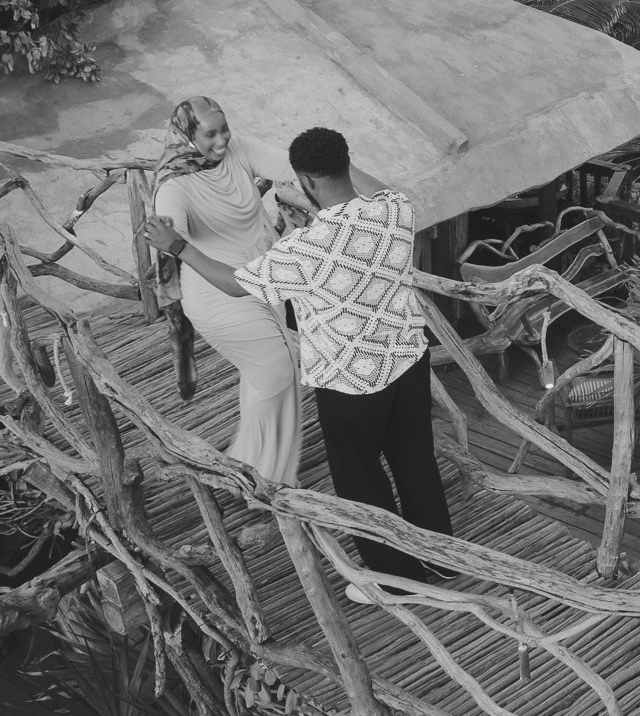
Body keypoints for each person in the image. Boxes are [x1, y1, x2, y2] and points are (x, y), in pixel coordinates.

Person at [148, 126, 451, 592]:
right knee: (416, 459)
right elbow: (375, 186)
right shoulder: (395, 209)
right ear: (346, 163)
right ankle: (444, 559)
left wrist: (180, 247)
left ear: (306, 182)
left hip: (350, 384)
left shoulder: (303, 250)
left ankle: (394, 580)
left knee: (362, 481)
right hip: (407, 360)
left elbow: (232, 283)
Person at [148, 97, 304, 486]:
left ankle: (253, 467)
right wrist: (172, 236)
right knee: (277, 370)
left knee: (263, 376)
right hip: (217, 292)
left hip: (261, 283)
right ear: (187, 136)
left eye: (224, 129)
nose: (222, 141)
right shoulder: (174, 185)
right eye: (210, 134)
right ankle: (270, 477)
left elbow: (291, 166)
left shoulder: (238, 150)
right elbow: (172, 230)